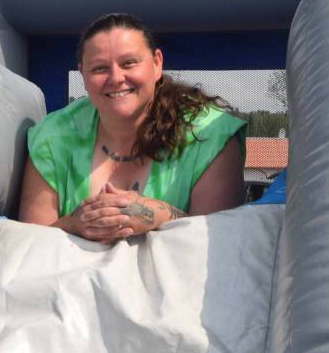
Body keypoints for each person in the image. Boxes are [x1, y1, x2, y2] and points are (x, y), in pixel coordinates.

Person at [19, 13, 246, 244]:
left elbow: (219, 247)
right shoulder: (52, 137)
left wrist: (160, 215)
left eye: (129, 63)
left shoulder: (209, 136)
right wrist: (75, 223)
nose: (116, 78)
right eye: (99, 68)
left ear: (157, 64)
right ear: (83, 76)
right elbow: (32, 246)